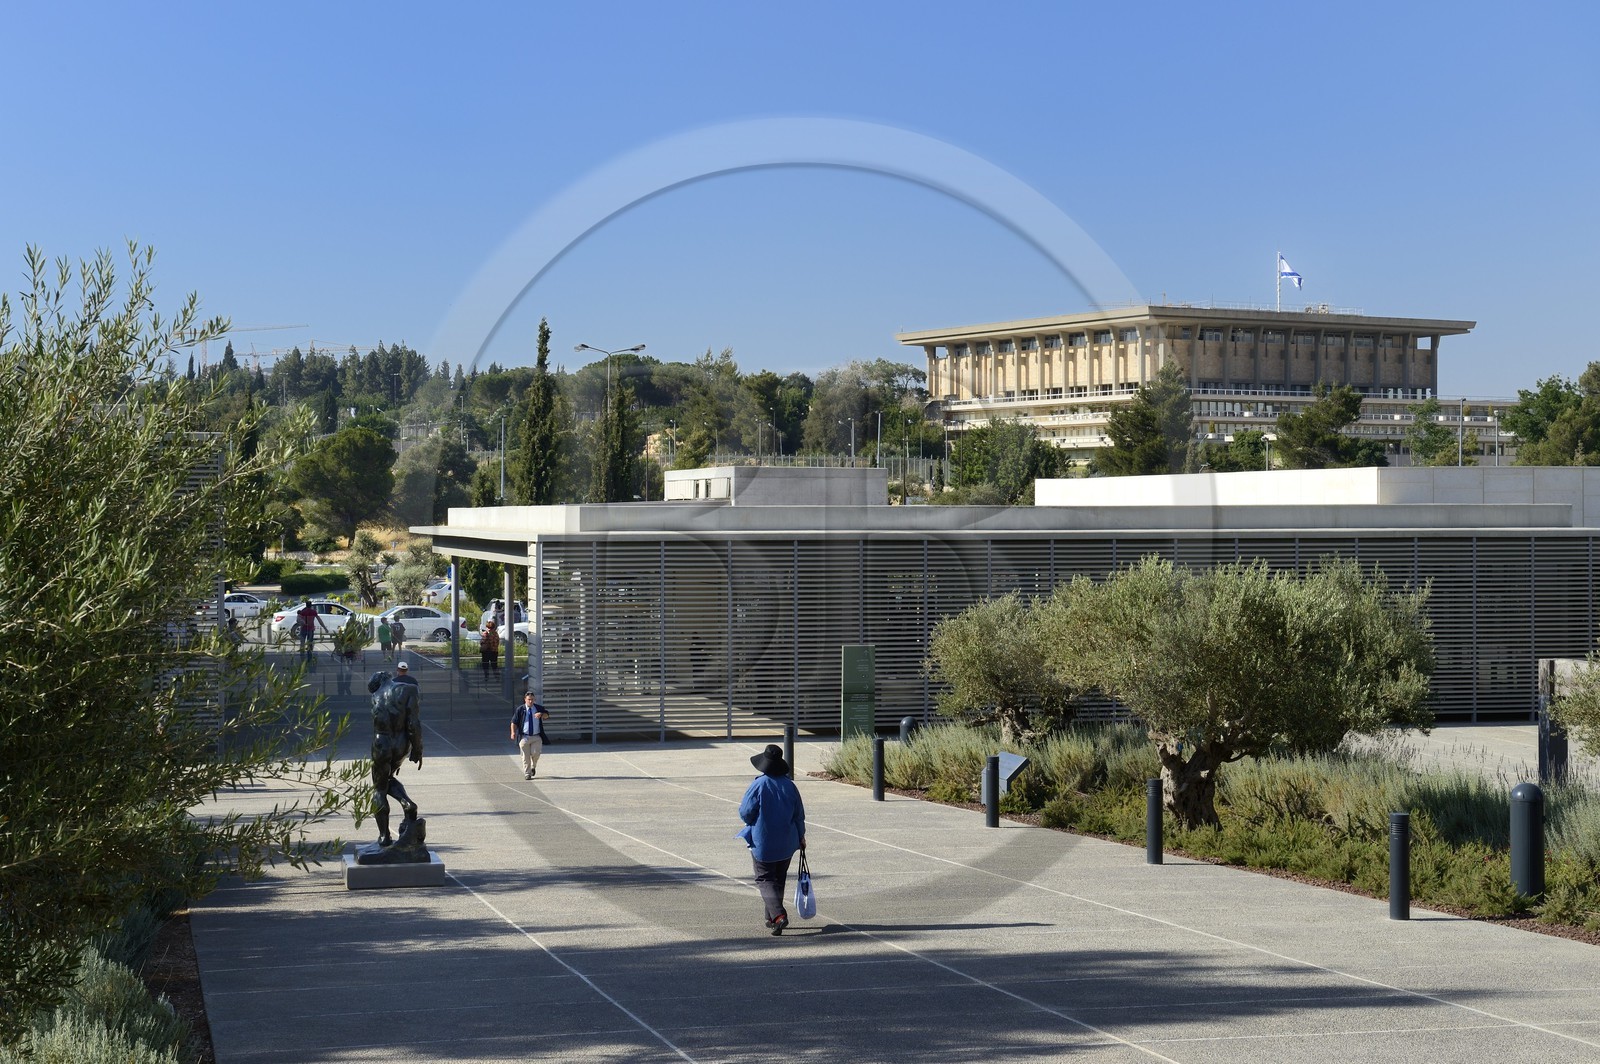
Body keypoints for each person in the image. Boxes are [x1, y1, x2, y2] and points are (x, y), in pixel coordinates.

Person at [737, 745, 806, 935]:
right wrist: (801, 836)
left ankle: (778, 916)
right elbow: (799, 815)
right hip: (787, 841)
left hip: (764, 841)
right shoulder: (790, 785)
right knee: (778, 878)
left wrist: (751, 822)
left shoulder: (759, 784)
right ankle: (771, 918)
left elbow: (745, 812)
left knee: (764, 877)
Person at [366, 670, 423, 847]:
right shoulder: (409, 689)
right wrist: (417, 748)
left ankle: (384, 836)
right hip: (401, 743)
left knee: (379, 789)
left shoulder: (376, 696)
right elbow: (413, 723)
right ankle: (407, 803)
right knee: (388, 779)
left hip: (380, 742)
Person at [509, 691, 548, 780]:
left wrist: (541, 714)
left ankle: (533, 766)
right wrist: (513, 732)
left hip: (536, 736)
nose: (530, 701)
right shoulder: (520, 709)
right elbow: (513, 722)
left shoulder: (538, 708)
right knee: (525, 756)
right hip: (524, 736)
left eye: (532, 700)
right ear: (525, 700)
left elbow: (547, 715)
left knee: (536, 753)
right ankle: (527, 773)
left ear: (534, 700)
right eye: (529, 699)